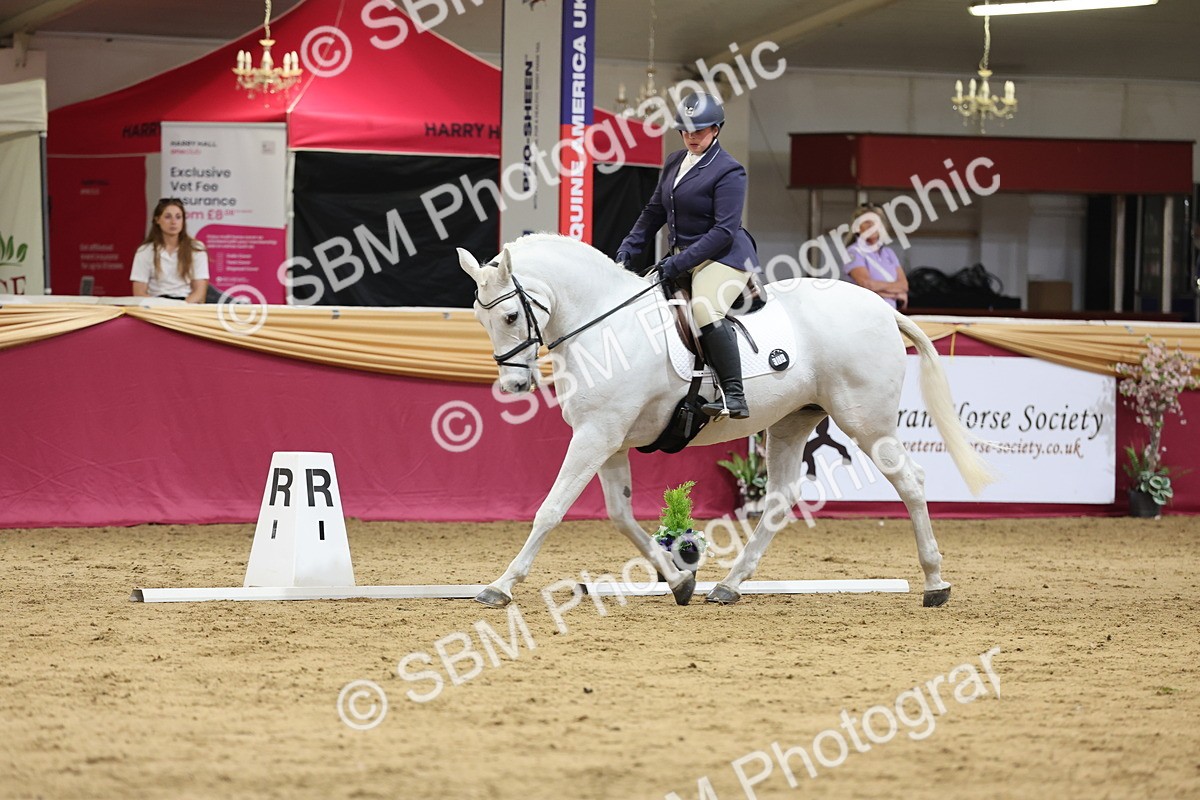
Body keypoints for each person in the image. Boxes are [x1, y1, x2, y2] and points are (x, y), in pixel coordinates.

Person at [615, 92, 759, 419]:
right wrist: (628, 249)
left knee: (705, 309)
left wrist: (678, 263)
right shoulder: (674, 161)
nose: (691, 136)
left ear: (716, 129)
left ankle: (734, 395)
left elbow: (723, 231)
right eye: (685, 130)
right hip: (682, 256)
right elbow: (653, 211)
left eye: (700, 130)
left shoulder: (729, 170)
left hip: (724, 256)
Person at [130, 198, 209, 302]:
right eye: (168, 217)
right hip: (155, 304)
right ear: (157, 220)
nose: (173, 222)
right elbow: (139, 292)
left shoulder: (196, 248)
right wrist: (160, 306)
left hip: (186, 303)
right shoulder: (145, 251)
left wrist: (181, 306)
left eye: (178, 217)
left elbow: (199, 291)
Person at [843, 204, 908, 309]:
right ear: (857, 227)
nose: (872, 226)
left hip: (890, 312)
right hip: (865, 311)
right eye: (866, 222)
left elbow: (904, 285)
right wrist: (895, 294)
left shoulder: (889, 253)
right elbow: (866, 285)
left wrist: (879, 288)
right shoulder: (853, 252)